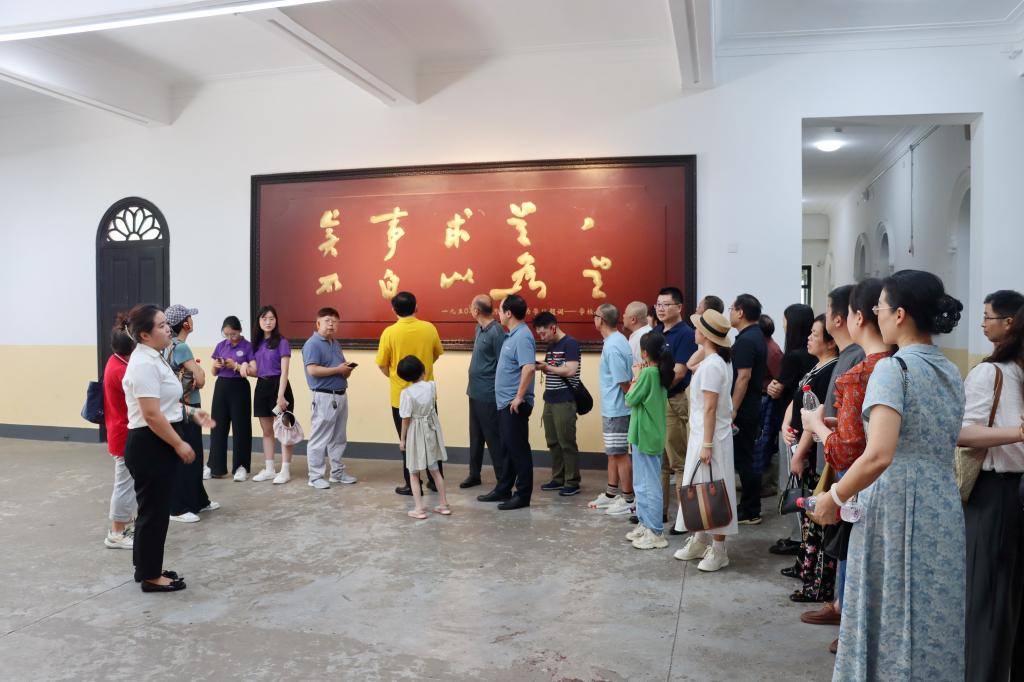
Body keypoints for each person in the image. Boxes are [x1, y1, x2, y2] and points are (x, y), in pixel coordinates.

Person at [809, 270, 965, 681]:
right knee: (932, 612)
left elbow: (878, 454)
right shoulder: (948, 369)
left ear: (899, 314)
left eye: (879, 307)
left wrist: (833, 497)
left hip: (894, 503)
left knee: (889, 610)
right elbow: (944, 432)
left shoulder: (893, 369)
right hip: (942, 505)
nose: (875, 315)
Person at [800, 278, 892, 650]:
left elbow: (848, 452)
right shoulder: (923, 366)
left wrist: (818, 427)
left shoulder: (866, 370)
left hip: (869, 483)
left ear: (857, 318)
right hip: (906, 490)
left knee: (860, 556)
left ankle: (854, 626)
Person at [121, 304, 215, 592]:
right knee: (154, 512)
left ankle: (147, 568)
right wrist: (179, 443)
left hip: (157, 440)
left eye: (166, 324)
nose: (168, 330)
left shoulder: (155, 357)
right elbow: (151, 414)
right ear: (145, 334)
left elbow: (165, 403)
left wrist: (192, 413)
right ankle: (151, 577)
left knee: (155, 510)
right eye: (161, 326)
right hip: (150, 444)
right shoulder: (144, 363)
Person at [957, 289, 1024, 680]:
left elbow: (961, 433)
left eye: (988, 316)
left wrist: (1016, 434)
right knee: (996, 600)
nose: (982, 324)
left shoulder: (994, 372)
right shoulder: (995, 373)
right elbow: (965, 434)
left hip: (1000, 496)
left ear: (1009, 323)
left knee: (993, 602)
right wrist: (1017, 433)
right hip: (997, 492)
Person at [673, 309, 738, 571]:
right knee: (700, 486)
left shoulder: (713, 365)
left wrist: (707, 444)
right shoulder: (713, 360)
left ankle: (719, 550)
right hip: (704, 434)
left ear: (707, 335)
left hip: (710, 437)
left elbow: (710, 408)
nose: (694, 331)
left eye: (699, 328)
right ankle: (700, 540)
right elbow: (691, 366)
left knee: (714, 489)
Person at [784, 315, 839, 603]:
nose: (808, 338)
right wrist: (785, 425)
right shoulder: (816, 366)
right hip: (798, 442)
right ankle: (803, 565)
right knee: (806, 514)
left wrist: (801, 452)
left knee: (814, 514)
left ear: (830, 342)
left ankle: (816, 581)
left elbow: (815, 416)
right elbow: (797, 401)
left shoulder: (830, 371)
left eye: (815, 334)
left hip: (812, 450)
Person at [375, 291, 444, 496]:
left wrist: (395, 378)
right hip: (427, 396)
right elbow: (435, 355)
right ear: (416, 307)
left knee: (406, 440)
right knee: (430, 438)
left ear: (394, 310)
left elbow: (382, 364)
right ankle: (435, 479)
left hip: (401, 396)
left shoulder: (389, 333)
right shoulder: (429, 328)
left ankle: (411, 483)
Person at [478, 294, 536, 510]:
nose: (498, 314)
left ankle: (523, 495)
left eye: (500, 310)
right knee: (507, 450)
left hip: (515, 404)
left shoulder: (523, 336)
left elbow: (528, 368)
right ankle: (503, 488)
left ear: (509, 313)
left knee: (518, 450)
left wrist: (519, 397)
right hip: (505, 403)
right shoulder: (511, 335)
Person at [164, 304, 216, 523]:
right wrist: (199, 372)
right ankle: (178, 507)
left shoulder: (167, 346)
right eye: (190, 317)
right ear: (185, 323)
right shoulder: (182, 347)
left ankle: (198, 500)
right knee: (190, 456)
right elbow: (200, 379)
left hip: (177, 406)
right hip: (188, 406)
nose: (192, 321)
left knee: (192, 455)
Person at [624, 330, 673, 550]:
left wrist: (635, 376)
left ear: (644, 353)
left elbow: (629, 399)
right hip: (645, 433)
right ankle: (645, 524)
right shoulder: (657, 372)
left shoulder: (648, 374)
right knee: (641, 483)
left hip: (646, 434)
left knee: (649, 484)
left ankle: (655, 531)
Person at [302, 307, 357, 489]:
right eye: (327, 321)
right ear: (318, 323)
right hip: (323, 396)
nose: (331, 324)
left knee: (338, 438)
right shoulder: (312, 344)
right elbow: (313, 370)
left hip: (340, 395)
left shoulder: (335, 343)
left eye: (334, 321)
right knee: (319, 438)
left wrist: (346, 370)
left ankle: (337, 473)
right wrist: (338, 370)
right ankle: (315, 476)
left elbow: (340, 368)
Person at [729, 293, 768, 524]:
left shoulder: (746, 340)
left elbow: (743, 377)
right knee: (746, 457)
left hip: (744, 408)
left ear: (740, 312)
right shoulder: (755, 335)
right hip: (751, 404)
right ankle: (748, 505)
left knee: (745, 459)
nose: (730, 313)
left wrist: (733, 408)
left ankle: (751, 510)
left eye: (732, 309)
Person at [534, 311, 582, 496]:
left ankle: (572, 481)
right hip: (550, 398)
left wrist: (547, 367)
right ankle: (558, 478)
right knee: (553, 441)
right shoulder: (551, 346)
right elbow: (554, 369)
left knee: (566, 442)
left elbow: (570, 370)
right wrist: (543, 367)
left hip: (565, 399)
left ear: (553, 328)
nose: (542, 337)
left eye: (543, 333)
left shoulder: (570, 343)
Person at [397, 355, 451, 520]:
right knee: (435, 470)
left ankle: (419, 508)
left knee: (414, 472)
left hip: (415, 432)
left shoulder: (406, 393)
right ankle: (443, 504)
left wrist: (402, 439)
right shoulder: (431, 386)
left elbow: (406, 418)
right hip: (430, 430)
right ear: (423, 370)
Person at [595, 303, 636, 517]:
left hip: (618, 409)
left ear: (601, 319)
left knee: (620, 454)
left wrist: (631, 402)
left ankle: (628, 499)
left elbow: (623, 382)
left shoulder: (613, 345)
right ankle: (611, 494)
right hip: (613, 408)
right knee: (613, 453)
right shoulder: (616, 340)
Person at [249, 305, 295, 484]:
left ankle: (285, 470)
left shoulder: (282, 342)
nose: (268, 322)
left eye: (271, 318)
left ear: (276, 321)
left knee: (283, 430)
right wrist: (241, 366)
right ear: (259, 321)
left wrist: (281, 396)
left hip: (279, 386)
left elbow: (285, 372)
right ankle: (269, 469)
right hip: (262, 387)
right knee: (267, 431)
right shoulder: (256, 343)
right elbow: (256, 370)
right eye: (264, 319)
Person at [463, 295, 505, 490]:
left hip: (488, 394)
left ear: (476, 311)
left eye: (471, 306)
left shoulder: (496, 331)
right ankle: (474, 474)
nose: (470, 309)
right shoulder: (478, 328)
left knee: (492, 437)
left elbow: (502, 364)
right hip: (474, 391)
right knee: (476, 436)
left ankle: (502, 479)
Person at [103, 312, 136, 549]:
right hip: (123, 433)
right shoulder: (120, 370)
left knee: (129, 484)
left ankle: (124, 525)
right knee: (124, 485)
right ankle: (116, 532)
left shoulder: (117, 362)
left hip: (122, 431)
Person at [208, 315, 255, 482]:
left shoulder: (248, 346)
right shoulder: (221, 345)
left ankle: (241, 467)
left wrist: (235, 366)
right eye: (226, 334)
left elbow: (255, 371)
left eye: (233, 334)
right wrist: (216, 366)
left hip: (239, 387)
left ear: (240, 331)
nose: (230, 337)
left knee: (241, 427)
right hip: (221, 386)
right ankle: (215, 466)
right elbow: (213, 372)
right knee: (218, 426)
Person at [755, 313, 785, 497]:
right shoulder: (764, 346)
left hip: (766, 398)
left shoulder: (772, 351)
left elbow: (779, 379)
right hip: (762, 396)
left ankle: (767, 483)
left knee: (765, 441)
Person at [624, 300, 653, 365]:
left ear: (633, 319)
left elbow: (643, 365)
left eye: (625, 313)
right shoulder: (642, 333)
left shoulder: (643, 337)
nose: (623, 316)